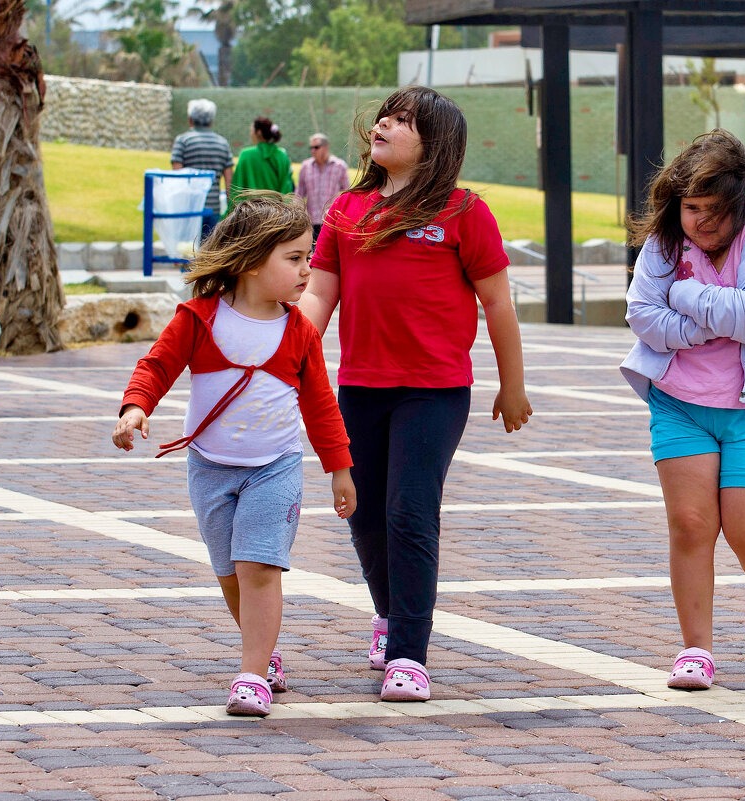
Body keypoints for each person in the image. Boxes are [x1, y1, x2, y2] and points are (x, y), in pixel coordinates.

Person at [298, 86, 532, 703]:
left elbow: (499, 304)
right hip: (360, 389)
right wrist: (289, 352)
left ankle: (409, 654)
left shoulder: (463, 212)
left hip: (435, 392)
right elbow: (319, 294)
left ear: (435, 146)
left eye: (405, 121)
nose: (385, 125)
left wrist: (513, 386)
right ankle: (391, 613)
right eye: (386, 115)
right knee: (365, 513)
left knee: (409, 513)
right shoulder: (347, 210)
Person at [112, 191, 357, 717]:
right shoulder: (199, 318)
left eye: (308, 257)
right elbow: (156, 366)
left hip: (276, 468)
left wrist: (340, 470)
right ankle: (264, 653)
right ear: (248, 260)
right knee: (230, 572)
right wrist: (135, 407)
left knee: (259, 567)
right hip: (209, 468)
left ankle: (251, 674)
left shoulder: (299, 332)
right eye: (294, 258)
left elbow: (321, 408)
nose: (307, 269)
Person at [620, 129, 745, 691]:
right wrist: (700, 329)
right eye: (692, 208)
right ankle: (695, 649)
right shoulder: (665, 245)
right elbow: (641, 314)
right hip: (679, 402)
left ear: (742, 204)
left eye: (716, 211)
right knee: (691, 525)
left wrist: (684, 296)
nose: (702, 223)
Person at [171, 98, 234, 238]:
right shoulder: (222, 143)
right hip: (213, 208)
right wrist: (230, 209)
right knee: (208, 253)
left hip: (189, 208)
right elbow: (229, 180)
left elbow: (177, 177)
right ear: (211, 121)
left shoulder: (183, 141)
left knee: (187, 251)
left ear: (190, 120)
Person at [228, 117, 294, 209]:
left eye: (251, 131)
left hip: (251, 213)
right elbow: (287, 187)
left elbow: (237, 187)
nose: (250, 134)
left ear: (258, 132)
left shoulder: (246, 155)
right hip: (276, 213)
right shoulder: (282, 155)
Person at [296, 133, 351, 240]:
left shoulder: (339, 166)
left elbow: (347, 194)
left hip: (332, 221)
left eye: (316, 147)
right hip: (311, 222)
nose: (313, 150)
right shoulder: (306, 166)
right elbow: (299, 194)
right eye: (311, 147)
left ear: (326, 147)